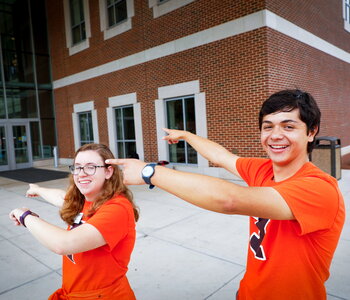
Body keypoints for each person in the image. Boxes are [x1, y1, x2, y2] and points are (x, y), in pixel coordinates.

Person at [106, 89, 345, 299]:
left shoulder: (319, 188)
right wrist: (187, 136)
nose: (275, 136)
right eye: (268, 127)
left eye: (289, 126)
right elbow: (220, 156)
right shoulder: (262, 169)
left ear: (311, 132)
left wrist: (150, 172)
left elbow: (229, 200)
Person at [9, 143, 138, 300]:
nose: (81, 173)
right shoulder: (89, 200)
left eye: (91, 167)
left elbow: (63, 244)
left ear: (108, 171)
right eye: (77, 167)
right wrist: (38, 189)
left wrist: (25, 216)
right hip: (74, 292)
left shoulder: (118, 209)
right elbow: (61, 198)